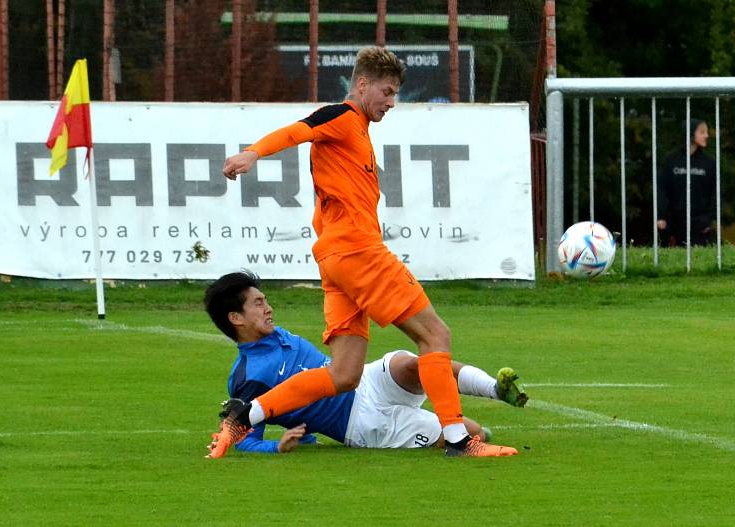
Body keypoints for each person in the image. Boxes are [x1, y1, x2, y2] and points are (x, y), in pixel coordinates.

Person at [212, 46, 516, 458]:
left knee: (342, 374)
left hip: (335, 260)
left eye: (395, 95)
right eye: (387, 92)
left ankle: (248, 414)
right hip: (358, 252)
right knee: (435, 335)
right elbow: (298, 129)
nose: (392, 102)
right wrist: (252, 153)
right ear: (361, 84)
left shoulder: (356, 134)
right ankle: (460, 442)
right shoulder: (343, 117)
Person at [203, 271, 525, 456]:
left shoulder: (275, 335)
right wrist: (278, 446)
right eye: (258, 304)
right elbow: (245, 438)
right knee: (471, 431)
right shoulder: (247, 375)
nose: (268, 308)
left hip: (363, 380)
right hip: (361, 425)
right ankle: (477, 433)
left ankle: (495, 389)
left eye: (266, 300)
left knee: (409, 363)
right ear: (236, 318)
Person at [657, 118, 717, 247]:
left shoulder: (709, 163)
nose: (706, 136)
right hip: (673, 224)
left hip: (700, 225)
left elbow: (715, 194)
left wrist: (709, 220)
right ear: (690, 134)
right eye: (702, 132)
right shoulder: (671, 160)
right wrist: (661, 216)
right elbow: (661, 189)